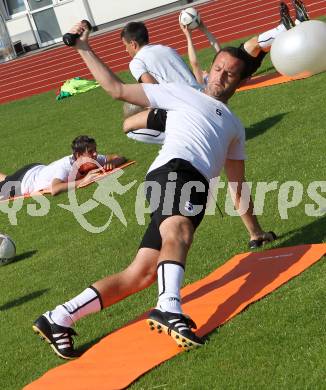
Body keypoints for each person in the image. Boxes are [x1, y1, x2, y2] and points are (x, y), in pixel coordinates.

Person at [32, 21, 276, 360]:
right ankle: (168, 307)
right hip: (175, 171)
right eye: (217, 68)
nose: (220, 77)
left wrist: (256, 232)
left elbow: (237, 183)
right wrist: (84, 48)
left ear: (240, 81)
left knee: (143, 272)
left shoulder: (235, 126)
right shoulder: (181, 93)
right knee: (180, 231)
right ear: (208, 69)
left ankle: (58, 317)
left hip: (194, 185)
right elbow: (117, 89)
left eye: (230, 74)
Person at [0, 135, 126, 200]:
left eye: (95, 150)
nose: (95, 154)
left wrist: (113, 164)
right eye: (91, 151)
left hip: (35, 170)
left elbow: (119, 157)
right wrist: (83, 180)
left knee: (8, 178)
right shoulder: (66, 167)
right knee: (6, 183)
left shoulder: (91, 159)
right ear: (78, 155)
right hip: (21, 184)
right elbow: (55, 189)